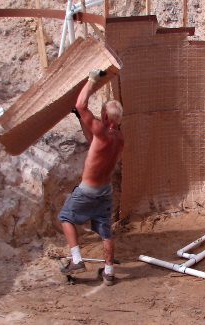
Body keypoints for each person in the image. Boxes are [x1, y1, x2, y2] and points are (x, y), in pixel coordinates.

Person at [58, 70, 124, 286]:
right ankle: (109, 272)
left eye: (101, 113)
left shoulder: (101, 131)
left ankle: (77, 260)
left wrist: (92, 80)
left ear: (105, 117)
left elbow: (81, 105)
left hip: (88, 191)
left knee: (66, 218)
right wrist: (81, 120)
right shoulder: (118, 138)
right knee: (106, 232)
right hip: (105, 191)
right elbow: (93, 140)